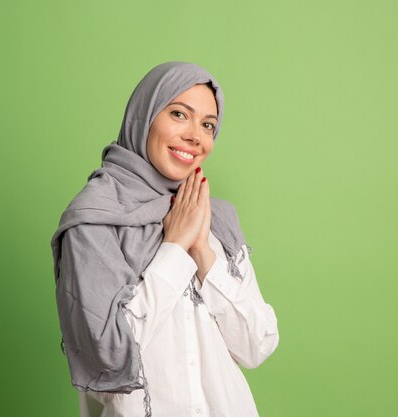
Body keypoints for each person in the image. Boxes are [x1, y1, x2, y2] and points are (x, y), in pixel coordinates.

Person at [50, 61, 279, 417]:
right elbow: (107, 357)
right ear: (143, 118)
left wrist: (201, 250)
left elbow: (256, 345)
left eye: (208, 125)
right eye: (178, 114)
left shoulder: (214, 218)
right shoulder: (93, 223)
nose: (196, 136)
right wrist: (174, 248)